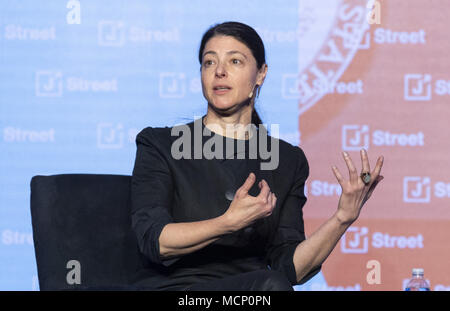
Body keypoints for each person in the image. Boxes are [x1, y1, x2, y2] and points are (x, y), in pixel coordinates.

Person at [130, 21, 384, 291]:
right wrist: (227, 223)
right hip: (178, 290)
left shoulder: (286, 159)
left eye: (235, 61)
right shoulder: (161, 144)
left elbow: (288, 268)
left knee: (272, 284)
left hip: (256, 290)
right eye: (209, 62)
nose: (219, 72)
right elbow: (154, 240)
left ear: (260, 74)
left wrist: (342, 218)